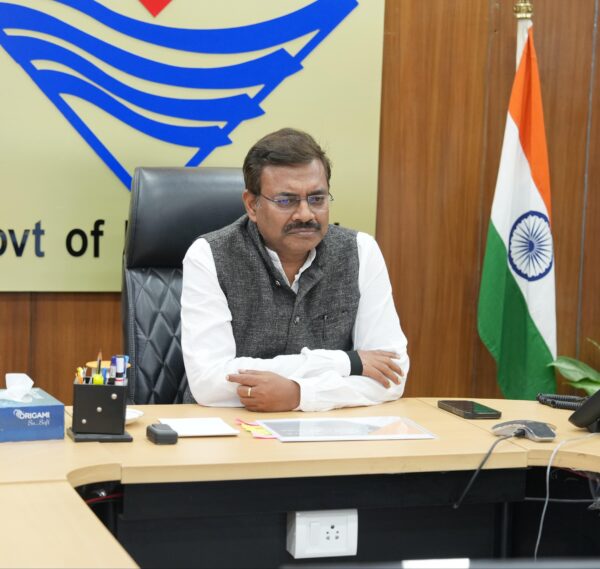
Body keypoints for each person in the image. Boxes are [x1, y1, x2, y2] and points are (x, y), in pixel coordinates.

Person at [181, 128, 409, 412]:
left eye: (317, 199)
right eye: (286, 201)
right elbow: (209, 382)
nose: (305, 214)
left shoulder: (361, 251)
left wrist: (300, 395)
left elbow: (392, 375)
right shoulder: (210, 255)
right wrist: (348, 362)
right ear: (252, 205)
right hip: (227, 428)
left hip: (327, 431)